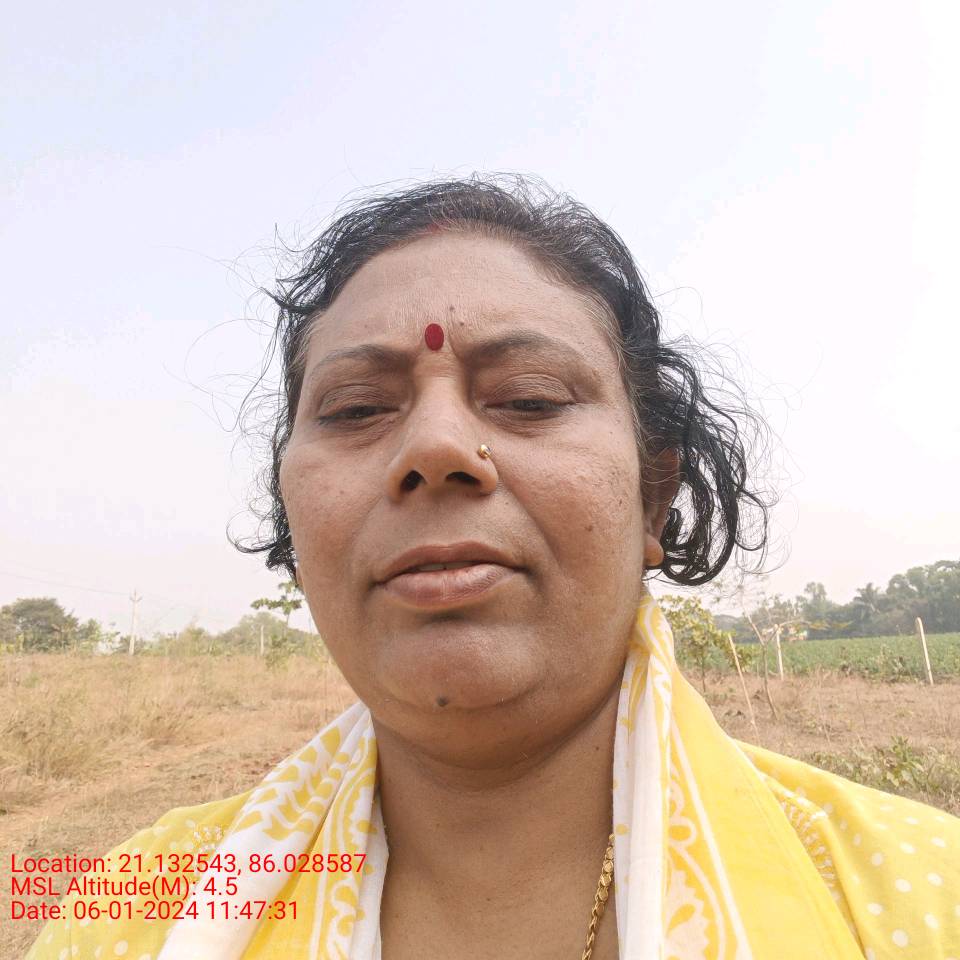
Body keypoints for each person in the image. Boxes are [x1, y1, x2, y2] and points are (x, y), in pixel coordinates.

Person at [27, 174, 960, 959]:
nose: (435, 447)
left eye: (529, 397)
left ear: (652, 499)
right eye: (356, 410)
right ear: (293, 514)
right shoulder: (129, 916)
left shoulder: (917, 902)